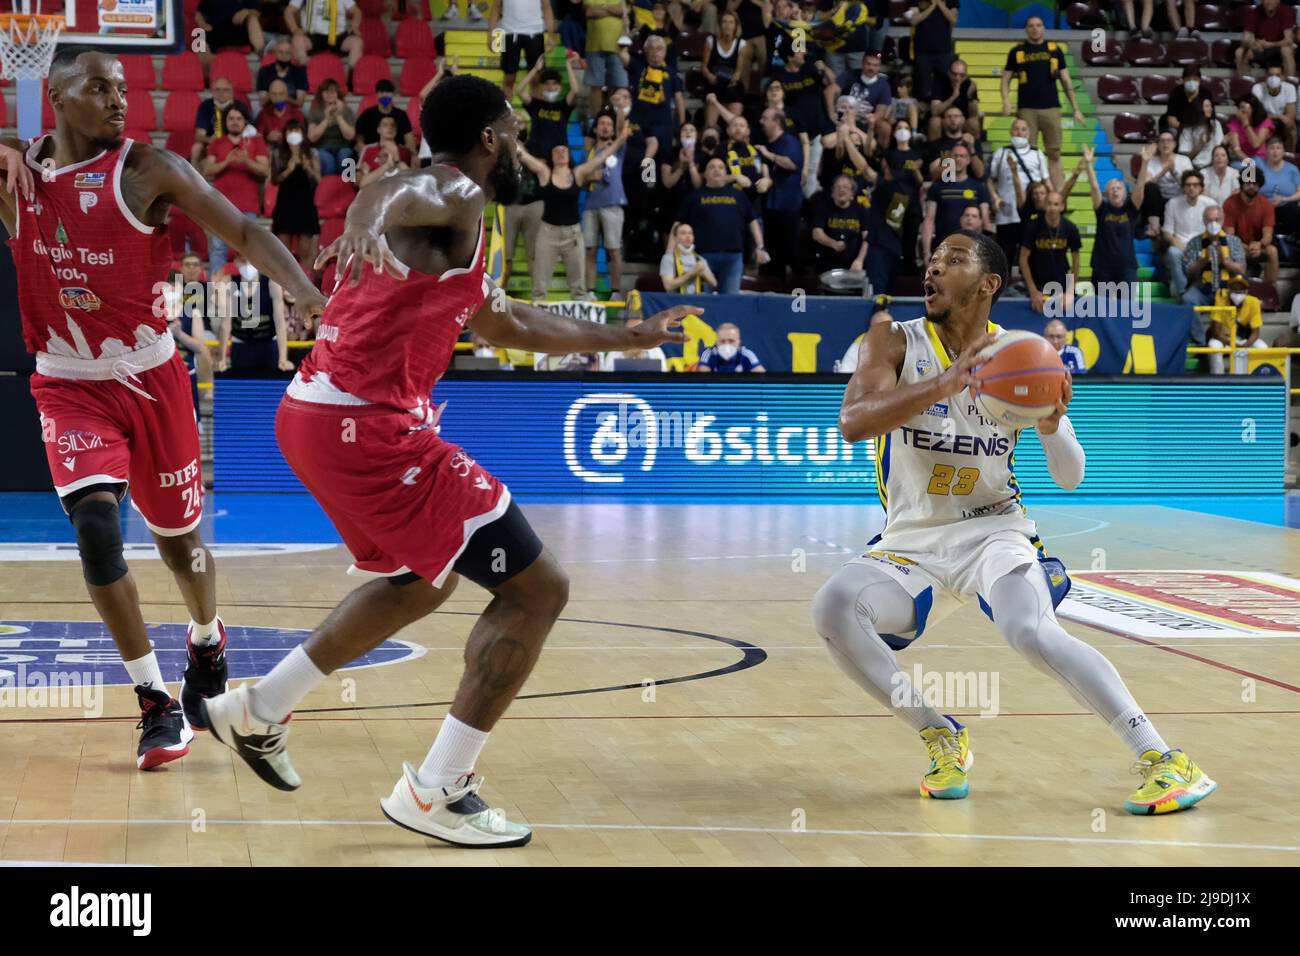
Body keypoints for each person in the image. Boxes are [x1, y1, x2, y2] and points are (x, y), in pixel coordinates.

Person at [201, 74, 694, 848]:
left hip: (320, 415)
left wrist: (623, 340)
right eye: (516, 129)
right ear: (491, 136)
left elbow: (505, 323)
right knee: (539, 591)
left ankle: (258, 708)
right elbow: (389, 192)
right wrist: (363, 214)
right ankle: (438, 789)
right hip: (365, 425)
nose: (523, 144)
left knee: (422, 582)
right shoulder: (452, 188)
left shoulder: (459, 223)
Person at [813, 229, 1216, 814]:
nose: (932, 270)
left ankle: (1163, 757)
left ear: (988, 284)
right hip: (912, 541)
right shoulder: (892, 340)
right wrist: (945, 384)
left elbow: (1072, 476)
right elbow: (854, 421)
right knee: (832, 608)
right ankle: (940, 734)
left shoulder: (1022, 352)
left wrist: (1051, 425)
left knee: (1027, 630)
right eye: (930, 261)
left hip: (995, 530)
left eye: (951, 260)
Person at [0, 47, 325, 771]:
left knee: (182, 547)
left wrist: (307, 295)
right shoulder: (15, 174)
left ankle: (206, 638)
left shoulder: (145, 168)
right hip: (67, 382)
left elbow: (244, 228)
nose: (119, 100)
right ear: (54, 95)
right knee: (94, 527)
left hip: (151, 378)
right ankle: (154, 703)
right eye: (99, 88)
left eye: (123, 89)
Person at [1000, 16, 1086, 191]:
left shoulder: (1055, 50)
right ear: (1026, 29)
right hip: (1026, 109)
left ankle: (1058, 196)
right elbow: (1005, 79)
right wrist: (1006, 101)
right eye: (1031, 25)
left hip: (1051, 108)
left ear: (1043, 28)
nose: (1035, 29)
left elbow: (1066, 81)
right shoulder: (1017, 51)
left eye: (1038, 25)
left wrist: (1076, 109)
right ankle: (1031, 195)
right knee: (1027, 154)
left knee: (1054, 154)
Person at [519, 142, 612, 300]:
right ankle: (538, 321)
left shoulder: (578, 173)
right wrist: (512, 139)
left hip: (573, 235)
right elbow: (524, 155)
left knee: (579, 289)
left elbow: (602, 157)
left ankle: (579, 322)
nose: (561, 153)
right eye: (557, 150)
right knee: (539, 288)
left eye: (564, 150)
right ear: (551, 156)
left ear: (569, 156)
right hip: (548, 233)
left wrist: (622, 138)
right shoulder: (544, 173)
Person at [674, 156, 770, 293]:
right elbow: (678, 224)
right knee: (702, 303)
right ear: (705, 174)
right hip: (702, 258)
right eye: (712, 167)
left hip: (733, 258)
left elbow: (753, 222)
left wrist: (760, 246)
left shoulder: (739, 195)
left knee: (730, 302)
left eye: (720, 167)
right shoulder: (694, 196)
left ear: (726, 173)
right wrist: (670, 251)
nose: (716, 170)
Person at [201, 105, 270, 276]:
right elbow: (207, 170)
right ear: (225, 122)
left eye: (238, 119)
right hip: (220, 206)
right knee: (218, 249)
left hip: (248, 206)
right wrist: (227, 161)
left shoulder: (256, 142)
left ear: (245, 121)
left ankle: (250, 294)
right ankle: (217, 295)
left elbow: (264, 170)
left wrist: (246, 161)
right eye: (231, 119)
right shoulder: (217, 142)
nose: (234, 122)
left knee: (249, 251)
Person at [987, 116, 1049, 271]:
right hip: (1006, 213)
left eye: (1023, 129)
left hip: (1031, 215)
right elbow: (990, 179)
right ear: (1010, 131)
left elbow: (1046, 182)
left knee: (1031, 255)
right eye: (1016, 128)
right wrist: (995, 197)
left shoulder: (1037, 154)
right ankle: (1001, 289)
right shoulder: (1000, 153)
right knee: (1004, 255)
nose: (1019, 132)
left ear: (1029, 133)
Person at [582, 112, 631, 295]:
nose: (605, 127)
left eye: (608, 124)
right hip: (591, 206)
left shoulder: (618, 148)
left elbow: (622, 131)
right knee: (590, 250)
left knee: (614, 251)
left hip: (612, 204)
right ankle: (590, 291)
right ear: (595, 128)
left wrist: (619, 109)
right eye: (601, 123)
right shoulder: (588, 153)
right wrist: (589, 177)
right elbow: (578, 179)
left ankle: (616, 291)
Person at [920, 143, 991, 263]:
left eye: (962, 156)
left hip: (972, 249)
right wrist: (926, 252)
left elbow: (986, 220)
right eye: (955, 156)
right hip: (944, 247)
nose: (958, 159)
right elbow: (929, 220)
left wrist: (988, 252)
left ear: (968, 160)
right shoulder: (937, 187)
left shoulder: (979, 187)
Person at [1082, 147, 1142, 286]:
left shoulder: (1130, 210)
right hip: (1102, 266)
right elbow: (1094, 187)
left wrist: (1144, 163)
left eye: (1119, 188)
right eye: (1111, 188)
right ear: (1107, 194)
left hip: (1127, 266)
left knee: (1126, 307)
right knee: (1103, 306)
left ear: (1125, 193)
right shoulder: (1102, 209)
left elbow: (1139, 188)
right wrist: (1088, 164)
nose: (1115, 190)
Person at [270, 119, 322, 272]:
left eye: (297, 131)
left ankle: (306, 283)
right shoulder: (278, 153)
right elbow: (274, 180)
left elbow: (318, 179)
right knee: (283, 250)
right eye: (290, 131)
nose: (293, 135)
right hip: (285, 204)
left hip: (305, 203)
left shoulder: (311, 153)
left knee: (305, 249)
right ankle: (284, 285)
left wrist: (307, 167)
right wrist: (288, 170)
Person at [1019, 189, 1081, 313]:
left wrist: (1069, 291)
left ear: (1062, 207)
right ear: (1044, 205)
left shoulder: (1070, 228)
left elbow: (1076, 261)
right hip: (1038, 284)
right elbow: (1023, 259)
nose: (1052, 208)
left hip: (1061, 284)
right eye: (1049, 203)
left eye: (1056, 204)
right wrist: (1033, 291)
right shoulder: (1033, 227)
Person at [1181, 206, 1247, 323]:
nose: (1213, 223)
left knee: (1243, 298)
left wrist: (1225, 261)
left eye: (1216, 220)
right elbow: (1188, 272)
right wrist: (1204, 260)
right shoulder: (1194, 242)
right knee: (1187, 299)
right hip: (1202, 289)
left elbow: (1241, 269)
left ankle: (1235, 337)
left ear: (1223, 219)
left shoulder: (1234, 241)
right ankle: (1199, 339)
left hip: (1228, 289)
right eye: (1209, 220)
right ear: (1204, 221)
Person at [1161, 169, 1218, 299]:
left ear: (1201, 188)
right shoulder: (1172, 203)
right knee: (1172, 252)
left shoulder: (1210, 204)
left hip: (1203, 246)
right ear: (1183, 188)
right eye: (1188, 185)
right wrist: (1178, 244)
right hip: (1181, 246)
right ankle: (1183, 292)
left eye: (1195, 185)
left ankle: (1213, 294)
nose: (1192, 188)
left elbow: (1214, 229)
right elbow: (1167, 232)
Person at [490, 0, 556, 100]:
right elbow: (496, 8)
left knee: (536, 78)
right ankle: (506, 112)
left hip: (535, 32)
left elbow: (546, 7)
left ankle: (535, 113)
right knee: (509, 78)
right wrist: (491, 35)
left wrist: (551, 35)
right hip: (509, 32)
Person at [520, 59, 580, 157]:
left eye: (554, 83)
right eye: (547, 83)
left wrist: (568, 66)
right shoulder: (536, 104)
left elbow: (575, 90)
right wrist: (535, 69)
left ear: (560, 87)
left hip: (558, 156)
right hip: (536, 154)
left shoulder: (563, 106)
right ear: (541, 87)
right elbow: (520, 91)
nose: (551, 87)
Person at [1225, 173, 1278, 284]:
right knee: (1228, 250)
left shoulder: (1266, 204)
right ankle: (1234, 288)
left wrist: (1259, 244)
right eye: (1248, 183)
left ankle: (1269, 288)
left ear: (1259, 186)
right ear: (1242, 184)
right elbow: (1229, 235)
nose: (1251, 186)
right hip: (1238, 246)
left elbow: (1268, 235)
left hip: (1258, 247)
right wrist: (1245, 246)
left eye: (1255, 184)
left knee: (1272, 251)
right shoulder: (1230, 203)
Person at [701, 11, 750, 129]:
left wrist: (735, 78)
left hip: (732, 86)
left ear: (736, 26)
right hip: (714, 84)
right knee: (710, 125)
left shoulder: (742, 44)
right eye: (724, 22)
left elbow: (739, 71)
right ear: (720, 24)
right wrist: (709, 76)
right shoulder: (710, 41)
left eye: (731, 22)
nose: (727, 25)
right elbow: (703, 67)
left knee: (735, 124)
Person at [1207, 275, 1265, 375]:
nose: (1237, 293)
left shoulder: (1254, 302)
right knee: (1213, 346)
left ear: (1246, 291)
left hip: (1244, 339)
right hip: (1225, 339)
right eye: (1234, 289)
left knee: (1262, 348)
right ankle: (1218, 381)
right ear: (1229, 290)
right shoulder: (1221, 300)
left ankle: (1258, 381)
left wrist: (1246, 344)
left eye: (1241, 290)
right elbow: (1216, 332)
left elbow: (1255, 333)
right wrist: (1232, 343)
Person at [811, 173, 869, 273]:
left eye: (845, 187)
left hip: (853, 265)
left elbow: (867, 238)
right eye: (838, 187)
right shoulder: (824, 207)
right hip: (827, 264)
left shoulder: (860, 210)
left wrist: (860, 260)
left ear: (852, 193)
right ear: (832, 191)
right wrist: (833, 243)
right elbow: (816, 233)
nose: (841, 190)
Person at [286, 0, 364, 69]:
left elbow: (356, 11)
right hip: (312, 35)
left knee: (357, 42)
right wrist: (294, 29)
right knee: (297, 40)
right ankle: (307, 72)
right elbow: (289, 11)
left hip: (337, 35)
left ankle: (347, 79)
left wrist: (354, 26)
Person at [584, 0, 630, 116]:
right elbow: (590, 11)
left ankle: (615, 119)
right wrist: (612, 9)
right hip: (594, 46)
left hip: (619, 46)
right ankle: (595, 121)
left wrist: (602, 7)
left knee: (618, 86)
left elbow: (623, 10)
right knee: (595, 86)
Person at [909, 0, 959, 105]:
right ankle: (921, 113)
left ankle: (943, 110)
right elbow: (914, 20)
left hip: (944, 50)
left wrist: (939, 3)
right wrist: (932, 6)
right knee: (922, 85)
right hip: (922, 50)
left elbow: (953, 18)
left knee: (945, 83)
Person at [306, 79, 358, 176]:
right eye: (326, 91)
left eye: (333, 91)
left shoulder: (347, 111)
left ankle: (349, 187)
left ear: (337, 94)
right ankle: (328, 188)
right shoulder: (315, 111)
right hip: (321, 148)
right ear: (321, 94)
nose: (330, 94)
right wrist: (326, 120)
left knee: (346, 159)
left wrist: (338, 115)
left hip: (344, 147)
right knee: (329, 162)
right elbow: (311, 137)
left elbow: (350, 136)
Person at [1237, 0, 1297, 78]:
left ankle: (1290, 81)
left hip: (1278, 48)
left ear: (1278, 1)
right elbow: (1245, 39)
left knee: (1287, 50)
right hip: (1261, 48)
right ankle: (1245, 82)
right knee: (1239, 52)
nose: (1269, 2)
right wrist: (1254, 44)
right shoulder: (1254, 12)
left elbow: (1288, 41)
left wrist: (1270, 44)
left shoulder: (1286, 12)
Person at [355, 80, 417, 154]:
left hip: (396, 153)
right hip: (372, 154)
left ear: (393, 94)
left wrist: (408, 153)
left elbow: (409, 139)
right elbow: (359, 138)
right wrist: (366, 152)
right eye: (381, 92)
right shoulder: (367, 114)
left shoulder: (401, 115)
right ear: (377, 94)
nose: (385, 95)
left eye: (388, 92)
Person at [659, 221, 718, 292]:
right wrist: (691, 273)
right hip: (676, 301)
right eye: (683, 233)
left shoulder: (699, 259)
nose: (688, 236)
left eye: (690, 233)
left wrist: (703, 273)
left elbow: (714, 284)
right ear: (676, 238)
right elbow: (668, 286)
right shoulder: (668, 258)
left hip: (695, 301)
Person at [196, 0, 265, 59]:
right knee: (201, 37)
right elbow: (198, 13)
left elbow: (257, 12)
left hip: (239, 31)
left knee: (253, 18)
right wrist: (203, 25)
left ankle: (261, 51)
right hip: (215, 31)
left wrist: (248, 12)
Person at [358, 115, 414, 186]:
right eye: (385, 125)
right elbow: (360, 183)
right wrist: (387, 166)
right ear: (378, 129)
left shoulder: (406, 151)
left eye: (392, 125)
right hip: (375, 192)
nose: (389, 127)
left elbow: (413, 181)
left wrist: (397, 160)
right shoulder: (368, 150)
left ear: (396, 130)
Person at [1253, 66, 1298, 152]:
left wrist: (1280, 118)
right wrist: (1279, 116)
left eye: (1278, 75)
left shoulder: (1289, 88)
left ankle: (1289, 156)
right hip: (1264, 122)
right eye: (1270, 75)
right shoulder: (1257, 88)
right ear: (1266, 76)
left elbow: (1290, 117)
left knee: (1292, 128)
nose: (1274, 78)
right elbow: (1257, 115)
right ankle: (1262, 155)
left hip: (1282, 122)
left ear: (1283, 77)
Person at [256, 38, 310, 109]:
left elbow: (299, 103)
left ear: (292, 54)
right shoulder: (264, 71)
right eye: (281, 52)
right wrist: (276, 95)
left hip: (291, 111)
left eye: (287, 52)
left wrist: (283, 97)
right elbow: (262, 102)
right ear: (275, 53)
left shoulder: (300, 72)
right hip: (270, 111)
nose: (284, 55)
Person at [601, 313, 670, 368]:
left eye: (640, 332)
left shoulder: (656, 352)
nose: (636, 336)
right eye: (631, 332)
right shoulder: (614, 352)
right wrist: (626, 357)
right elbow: (606, 377)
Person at [1161, 66, 1212, 135]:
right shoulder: (1175, 93)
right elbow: (1171, 120)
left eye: (1195, 79)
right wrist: (1186, 130)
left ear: (1199, 80)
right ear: (1183, 80)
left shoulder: (1206, 93)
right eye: (1188, 79)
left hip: (1200, 128)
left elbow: (1209, 117)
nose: (1191, 82)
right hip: (1179, 128)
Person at [1177, 97, 1223, 172]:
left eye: (1211, 106)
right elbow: (1184, 160)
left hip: (1212, 166)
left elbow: (1219, 149)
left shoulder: (1216, 124)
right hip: (1192, 167)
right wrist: (1200, 146)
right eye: (1207, 106)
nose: (1211, 109)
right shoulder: (1187, 129)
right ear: (1198, 108)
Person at [256, 79, 306, 147]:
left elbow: (304, 139)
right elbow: (257, 139)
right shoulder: (263, 114)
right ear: (269, 95)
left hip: (291, 150)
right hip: (271, 150)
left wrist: (288, 138)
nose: (278, 97)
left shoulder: (297, 114)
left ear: (287, 94)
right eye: (274, 94)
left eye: (281, 93)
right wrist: (267, 138)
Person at [1226, 96, 1275, 165]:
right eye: (1239, 108)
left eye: (1243, 107)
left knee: (1257, 166)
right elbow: (1236, 150)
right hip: (1242, 159)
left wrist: (1246, 125)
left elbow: (1256, 144)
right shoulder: (1235, 123)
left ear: (1253, 108)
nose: (1241, 111)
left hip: (1260, 158)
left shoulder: (1265, 122)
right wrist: (1250, 162)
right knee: (1236, 166)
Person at [698, 322, 765, 371]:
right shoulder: (708, 354)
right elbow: (703, 382)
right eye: (722, 341)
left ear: (739, 342)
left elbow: (762, 380)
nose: (726, 344)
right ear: (716, 342)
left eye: (731, 341)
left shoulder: (747, 355)